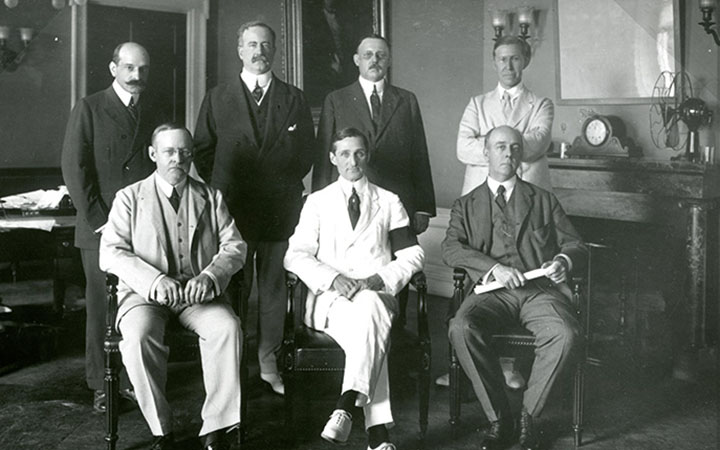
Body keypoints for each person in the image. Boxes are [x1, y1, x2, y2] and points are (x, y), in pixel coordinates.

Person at [99, 124, 246, 450]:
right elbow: (111, 251)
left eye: (183, 152)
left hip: (197, 294)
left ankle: (216, 429)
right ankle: (162, 431)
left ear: (191, 155)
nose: (176, 159)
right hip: (144, 296)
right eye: (168, 151)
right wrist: (153, 281)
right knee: (137, 337)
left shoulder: (210, 196)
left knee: (227, 328)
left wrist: (209, 277)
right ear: (153, 154)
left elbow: (234, 246)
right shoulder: (129, 198)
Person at [443, 125, 586, 450]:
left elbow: (576, 244)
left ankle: (528, 418)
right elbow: (452, 249)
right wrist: (494, 268)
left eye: (514, 148)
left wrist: (563, 261)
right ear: (486, 153)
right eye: (500, 147)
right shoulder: (466, 204)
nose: (508, 153)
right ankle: (499, 418)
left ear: (521, 154)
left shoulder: (543, 200)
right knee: (461, 328)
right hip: (491, 292)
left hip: (539, 292)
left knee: (566, 334)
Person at [193, 21, 315, 396]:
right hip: (234, 212)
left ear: (274, 51)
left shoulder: (293, 98)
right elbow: (202, 150)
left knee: (275, 291)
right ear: (240, 50)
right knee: (234, 291)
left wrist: (276, 182)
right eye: (251, 45)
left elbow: (307, 154)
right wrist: (229, 187)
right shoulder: (217, 97)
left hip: (281, 210)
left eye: (265, 45)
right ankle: (233, 366)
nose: (258, 51)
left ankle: (268, 363)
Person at [285, 127, 424, 450]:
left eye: (359, 153)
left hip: (376, 292)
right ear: (333, 159)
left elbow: (413, 254)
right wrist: (333, 279)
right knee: (373, 329)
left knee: (371, 310)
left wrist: (379, 279)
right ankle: (378, 435)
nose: (353, 160)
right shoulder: (317, 203)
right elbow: (295, 255)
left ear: (368, 156)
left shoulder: (388, 201)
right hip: (331, 300)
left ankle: (347, 404)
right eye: (345, 154)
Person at [61, 41, 168, 412]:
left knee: (137, 306)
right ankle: (101, 384)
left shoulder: (154, 109)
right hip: (100, 230)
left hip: (143, 228)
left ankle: (136, 380)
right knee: (100, 310)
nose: (137, 76)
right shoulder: (89, 108)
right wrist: (102, 223)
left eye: (143, 69)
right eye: (129, 68)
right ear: (113, 69)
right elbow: (75, 171)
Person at [312, 34, 436, 236]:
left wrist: (423, 207)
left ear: (389, 60)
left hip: (399, 201)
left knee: (399, 262)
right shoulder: (336, 100)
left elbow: (419, 155)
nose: (374, 60)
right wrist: (319, 205)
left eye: (381, 55)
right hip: (349, 201)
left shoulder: (406, 100)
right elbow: (324, 159)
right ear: (356, 60)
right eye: (368, 55)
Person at [457, 35, 553, 195]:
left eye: (515, 59)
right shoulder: (477, 103)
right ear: (494, 63)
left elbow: (538, 144)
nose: (508, 66)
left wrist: (489, 145)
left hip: (528, 192)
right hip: (481, 193)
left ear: (525, 61)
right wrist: (517, 144)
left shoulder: (541, 105)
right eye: (502, 59)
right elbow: (462, 148)